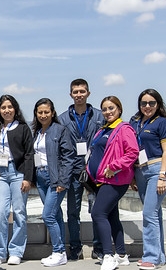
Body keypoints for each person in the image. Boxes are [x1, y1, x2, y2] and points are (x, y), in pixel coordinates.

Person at [88, 96, 138, 270]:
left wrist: (114, 166)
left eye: (111, 108)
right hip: (101, 180)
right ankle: (122, 254)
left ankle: (108, 255)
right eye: (104, 109)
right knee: (111, 216)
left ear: (119, 109)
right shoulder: (103, 129)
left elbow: (132, 152)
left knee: (98, 214)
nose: (108, 112)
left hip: (115, 180)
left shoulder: (124, 129)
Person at [58, 78, 105, 260]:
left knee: (97, 210)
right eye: (75, 92)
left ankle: (98, 247)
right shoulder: (62, 119)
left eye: (82, 91)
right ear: (70, 94)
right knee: (72, 211)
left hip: (95, 170)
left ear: (88, 93)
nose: (79, 95)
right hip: (73, 170)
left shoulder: (100, 116)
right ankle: (75, 247)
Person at [129, 89, 166, 270]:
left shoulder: (163, 123)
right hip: (140, 171)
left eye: (152, 103)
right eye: (144, 103)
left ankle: (151, 257)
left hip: (156, 169)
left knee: (149, 214)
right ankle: (159, 256)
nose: (147, 106)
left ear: (158, 104)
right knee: (155, 214)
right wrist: (132, 175)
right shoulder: (135, 122)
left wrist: (162, 176)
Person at [0, 95, 34, 266]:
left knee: (19, 212)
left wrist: (28, 178)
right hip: (1, 173)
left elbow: (29, 154)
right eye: (3, 108)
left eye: (10, 107)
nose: (7, 110)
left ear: (15, 109)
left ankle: (16, 250)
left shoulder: (22, 128)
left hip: (18, 173)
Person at [31, 98, 74, 267]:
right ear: (36, 113)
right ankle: (60, 251)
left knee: (47, 215)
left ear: (52, 113)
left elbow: (68, 157)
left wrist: (63, 180)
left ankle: (59, 251)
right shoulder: (36, 131)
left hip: (55, 177)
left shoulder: (60, 130)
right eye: (40, 112)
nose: (43, 115)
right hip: (40, 177)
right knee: (56, 215)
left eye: (46, 112)